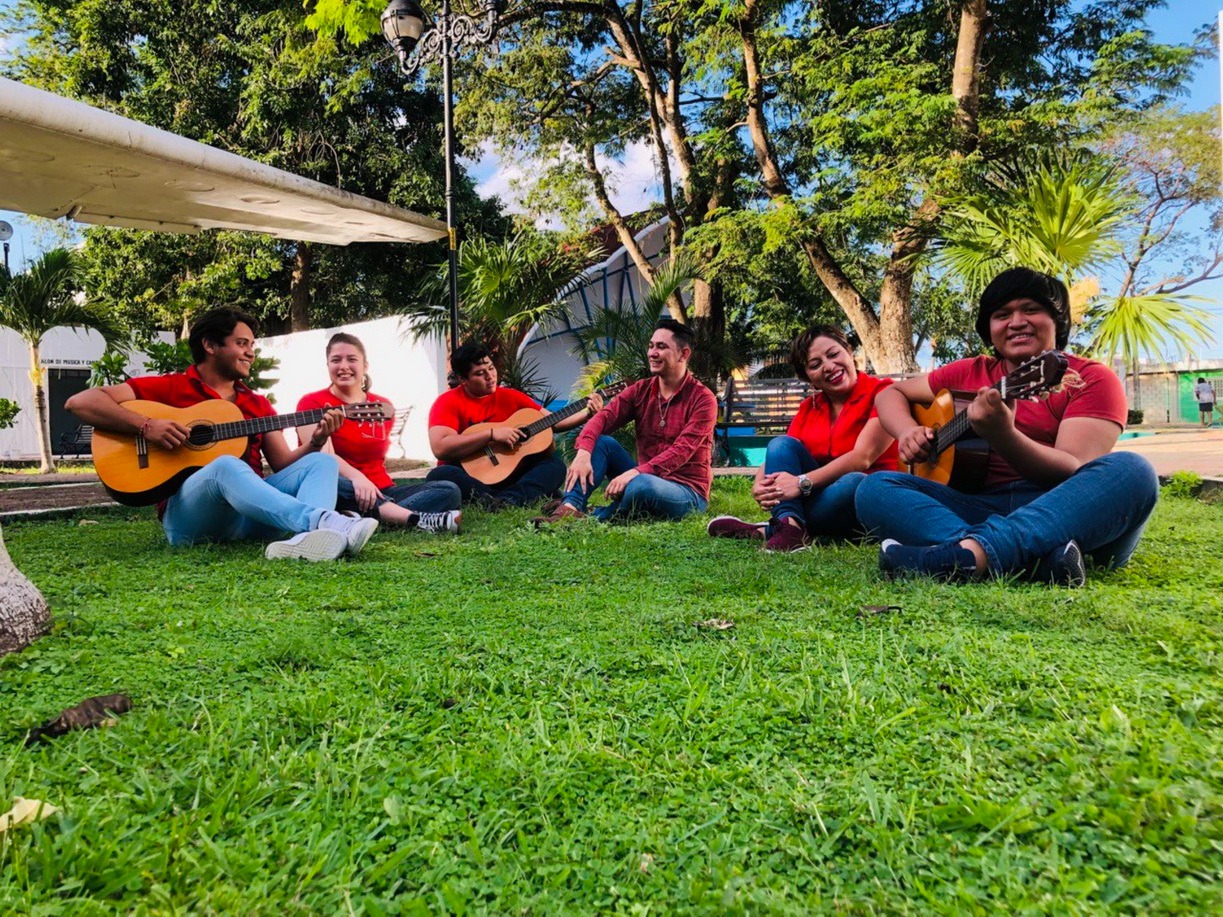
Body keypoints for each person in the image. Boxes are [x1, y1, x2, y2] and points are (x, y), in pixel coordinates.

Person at [855, 267, 1159, 587]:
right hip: (979, 506)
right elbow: (890, 393)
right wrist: (906, 431)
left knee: (1133, 470)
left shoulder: (1092, 379)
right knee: (874, 488)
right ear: (989, 328)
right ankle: (1034, 561)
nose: (1016, 322)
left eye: (1031, 309)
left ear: (1058, 320)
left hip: (1065, 512)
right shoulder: (969, 371)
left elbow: (1072, 469)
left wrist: (1005, 436)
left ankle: (965, 555)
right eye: (1002, 314)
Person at [65, 307, 378, 562]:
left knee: (322, 464)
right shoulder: (171, 388)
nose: (250, 352)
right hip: (193, 521)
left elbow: (283, 463)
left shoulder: (256, 403)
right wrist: (147, 425)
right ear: (211, 345)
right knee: (225, 466)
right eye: (242, 343)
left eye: (252, 346)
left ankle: (309, 544)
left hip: (252, 518)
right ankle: (324, 523)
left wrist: (316, 441)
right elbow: (80, 402)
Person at [706, 324, 898, 552]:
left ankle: (773, 528)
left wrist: (800, 482)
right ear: (809, 377)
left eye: (834, 354)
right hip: (821, 497)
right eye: (815, 365)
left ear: (849, 352)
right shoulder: (810, 407)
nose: (829, 366)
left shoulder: (884, 394)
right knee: (781, 443)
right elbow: (781, 453)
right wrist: (760, 484)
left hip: (867, 498)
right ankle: (790, 526)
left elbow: (862, 458)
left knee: (855, 481)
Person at [535, 319, 718, 525]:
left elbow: (681, 451)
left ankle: (594, 517)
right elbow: (604, 418)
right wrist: (584, 451)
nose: (652, 353)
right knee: (602, 442)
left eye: (661, 347)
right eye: (651, 346)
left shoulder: (703, 399)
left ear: (684, 354)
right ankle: (570, 507)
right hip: (644, 476)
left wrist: (635, 472)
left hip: (686, 491)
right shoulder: (641, 390)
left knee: (640, 487)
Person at [296, 333, 461, 534]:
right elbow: (324, 457)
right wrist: (357, 478)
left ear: (365, 366)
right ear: (328, 365)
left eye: (352, 359)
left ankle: (363, 518)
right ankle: (408, 518)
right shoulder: (312, 403)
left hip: (383, 489)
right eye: (336, 360)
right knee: (329, 480)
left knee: (449, 490)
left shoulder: (381, 407)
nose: (344, 366)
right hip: (342, 488)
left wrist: (371, 487)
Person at [424, 343, 602, 508]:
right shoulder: (447, 402)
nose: (490, 376)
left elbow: (554, 421)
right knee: (440, 475)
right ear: (463, 379)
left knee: (554, 466)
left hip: (510, 474)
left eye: (491, 368)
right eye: (479, 373)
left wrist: (587, 413)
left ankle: (503, 500)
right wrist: (491, 434)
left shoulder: (511, 396)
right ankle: (513, 497)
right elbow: (441, 447)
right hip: (470, 474)